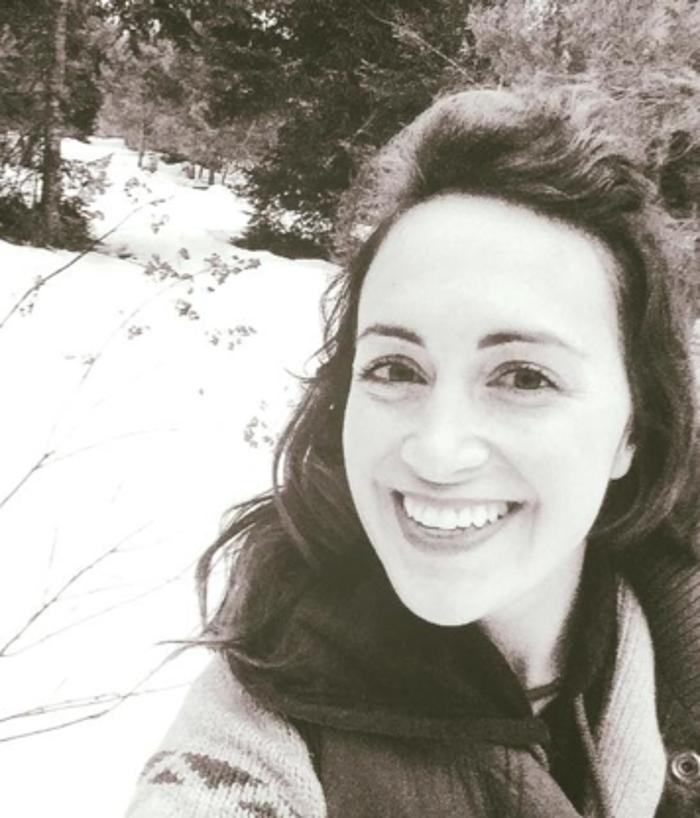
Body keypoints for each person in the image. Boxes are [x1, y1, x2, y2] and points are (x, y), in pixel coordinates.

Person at [126, 86, 700, 817]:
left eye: (524, 377)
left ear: (634, 429)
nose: (436, 451)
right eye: (396, 369)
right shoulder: (255, 738)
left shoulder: (674, 618)